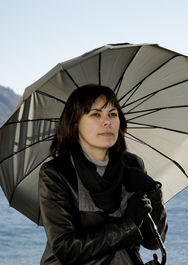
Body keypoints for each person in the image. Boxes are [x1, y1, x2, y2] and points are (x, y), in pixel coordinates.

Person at [38, 84, 168, 265]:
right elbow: (65, 248)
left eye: (112, 114)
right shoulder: (56, 173)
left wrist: (153, 193)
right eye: (96, 114)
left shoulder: (133, 164)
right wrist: (128, 223)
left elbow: (153, 242)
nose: (107, 121)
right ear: (75, 123)